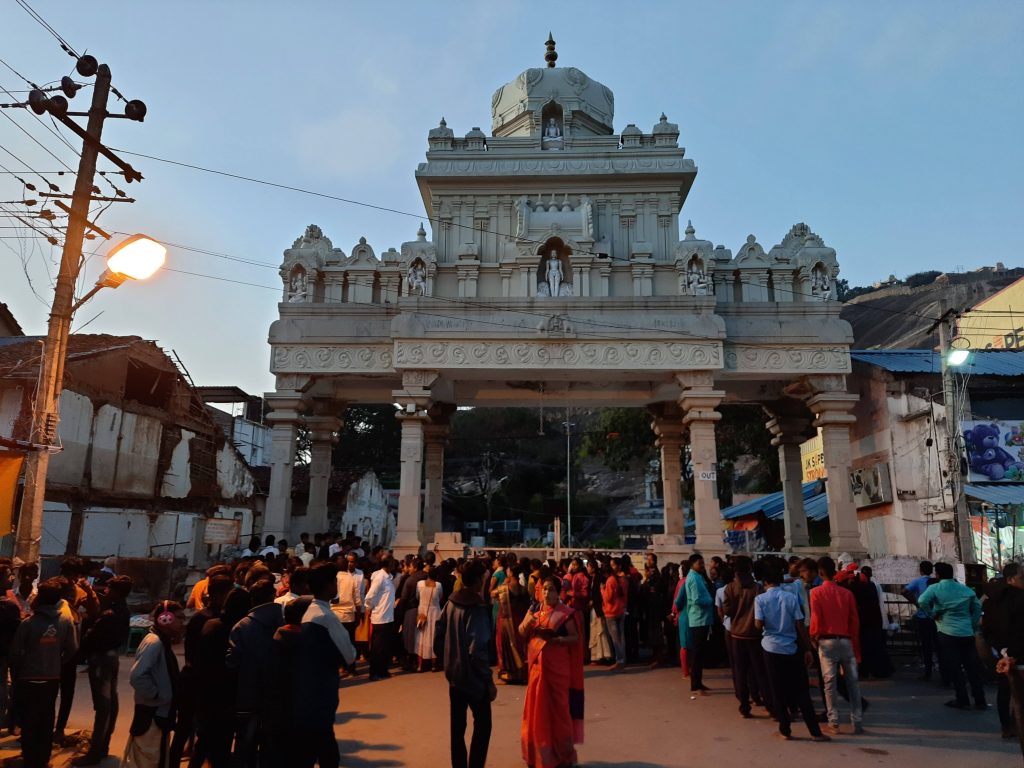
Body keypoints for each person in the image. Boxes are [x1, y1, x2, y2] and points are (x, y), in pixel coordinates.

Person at [754, 564, 829, 742]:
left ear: (765, 582)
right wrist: (807, 648)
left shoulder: (760, 599)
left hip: (771, 647)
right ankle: (815, 731)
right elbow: (800, 624)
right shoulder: (791, 597)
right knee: (801, 689)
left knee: (777, 689)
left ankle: (785, 729)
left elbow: (758, 624)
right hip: (791, 647)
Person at [9, 579, 77, 768]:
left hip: (28, 678)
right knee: (46, 718)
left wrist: (17, 673)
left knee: (29, 719)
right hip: (51, 678)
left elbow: (15, 653)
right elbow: (72, 649)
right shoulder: (65, 621)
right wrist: (56, 662)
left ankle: (30, 758)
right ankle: (43, 758)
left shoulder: (28, 623)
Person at [294, 562, 356, 768]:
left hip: (306, 690)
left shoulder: (308, 612)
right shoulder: (327, 617)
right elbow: (349, 655)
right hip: (321, 691)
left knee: (313, 749)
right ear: (329, 586)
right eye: (335, 582)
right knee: (325, 752)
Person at [436, 560, 497, 768]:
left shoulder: (451, 603)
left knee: (457, 729)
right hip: (474, 679)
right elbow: (477, 649)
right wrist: (488, 681)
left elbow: (439, 636)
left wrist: (447, 660)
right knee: (483, 726)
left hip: (455, 676)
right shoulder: (476, 608)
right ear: (478, 580)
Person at [519, 576, 584, 768]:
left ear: (558, 592)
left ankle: (562, 755)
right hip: (537, 669)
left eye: (551, 589)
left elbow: (575, 638)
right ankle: (538, 756)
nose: (547, 593)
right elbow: (521, 631)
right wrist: (529, 623)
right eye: (544, 589)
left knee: (559, 710)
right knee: (536, 710)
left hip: (558, 669)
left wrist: (557, 641)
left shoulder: (566, 614)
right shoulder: (534, 610)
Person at [72, 574, 132, 766]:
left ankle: (95, 751)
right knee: (110, 702)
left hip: (101, 659)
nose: (106, 591)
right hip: (112, 657)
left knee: (103, 705)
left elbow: (90, 637)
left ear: (115, 591)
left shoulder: (110, 615)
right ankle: (103, 745)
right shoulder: (122, 610)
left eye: (108, 589)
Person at [226, 578, 284, 766]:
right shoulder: (285, 621)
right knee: (272, 747)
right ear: (273, 595)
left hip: (248, 695)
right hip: (277, 695)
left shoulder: (242, 626)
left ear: (252, 600)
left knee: (245, 747)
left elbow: (232, 661)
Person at [918, 561, 986, 710]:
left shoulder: (935, 588)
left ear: (937, 575)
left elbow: (922, 600)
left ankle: (962, 699)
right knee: (972, 667)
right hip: (966, 632)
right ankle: (980, 699)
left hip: (947, 631)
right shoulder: (964, 589)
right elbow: (977, 607)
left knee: (955, 667)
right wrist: (972, 624)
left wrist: (932, 614)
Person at [124, 600, 184, 768]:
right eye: (179, 618)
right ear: (166, 618)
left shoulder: (160, 641)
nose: (182, 622)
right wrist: (157, 695)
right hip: (152, 715)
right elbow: (137, 676)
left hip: (158, 713)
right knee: (147, 760)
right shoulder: (154, 642)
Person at [810, 556, 863, 735]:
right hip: (846, 640)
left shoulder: (815, 593)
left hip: (826, 641)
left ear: (820, 572)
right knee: (853, 683)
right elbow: (854, 621)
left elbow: (816, 618)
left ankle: (833, 722)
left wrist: (813, 637)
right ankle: (857, 722)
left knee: (829, 683)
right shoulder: (847, 594)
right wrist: (855, 645)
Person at [722, 556, 767, 718]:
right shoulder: (758, 588)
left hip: (737, 635)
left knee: (740, 671)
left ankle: (744, 705)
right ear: (750, 569)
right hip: (755, 635)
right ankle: (765, 701)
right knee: (759, 670)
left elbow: (727, 611)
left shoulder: (730, 588)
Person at [984, 562, 1024, 740]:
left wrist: (1001, 650)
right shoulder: (1018, 598)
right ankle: (1014, 726)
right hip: (1017, 654)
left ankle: (1007, 726)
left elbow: (986, 627)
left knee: (1005, 690)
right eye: (1022, 577)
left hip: (1002, 653)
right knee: (1018, 694)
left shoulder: (991, 598)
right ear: (1011, 579)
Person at [903, 560, 943, 682]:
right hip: (936, 617)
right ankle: (944, 672)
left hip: (923, 616)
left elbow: (904, 591)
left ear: (920, 570)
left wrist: (915, 602)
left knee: (926, 645)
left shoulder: (918, 581)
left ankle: (928, 671)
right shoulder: (936, 582)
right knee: (939, 645)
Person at [684, 553, 714, 695]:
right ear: (692, 564)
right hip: (699, 618)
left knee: (699, 653)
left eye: (702, 563)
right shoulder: (694, 578)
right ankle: (695, 684)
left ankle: (698, 682)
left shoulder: (697, 576)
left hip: (701, 618)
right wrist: (711, 601)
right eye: (699, 563)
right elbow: (696, 600)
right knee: (697, 653)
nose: (702, 566)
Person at [365, 558, 398, 680]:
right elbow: (370, 595)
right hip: (380, 617)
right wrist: (369, 607)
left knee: (385, 647)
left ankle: (383, 670)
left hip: (388, 616)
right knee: (377, 647)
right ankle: (374, 672)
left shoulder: (388, 577)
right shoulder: (380, 578)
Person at [335, 555, 364, 676]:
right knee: (350, 643)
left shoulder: (334, 578)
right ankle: (351, 668)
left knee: (337, 642)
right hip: (349, 615)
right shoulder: (351, 579)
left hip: (335, 615)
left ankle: (340, 667)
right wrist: (358, 615)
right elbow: (357, 599)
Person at [415, 566, 444, 672]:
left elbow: (417, 597)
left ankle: (420, 665)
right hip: (435, 613)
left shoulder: (419, 584)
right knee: (433, 637)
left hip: (422, 613)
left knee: (421, 637)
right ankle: (434, 665)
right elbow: (440, 597)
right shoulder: (439, 585)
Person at [600, 558, 626, 670]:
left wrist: (602, 590)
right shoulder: (622, 579)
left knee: (615, 638)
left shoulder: (610, 581)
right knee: (621, 637)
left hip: (611, 612)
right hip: (620, 610)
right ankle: (622, 659)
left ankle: (619, 660)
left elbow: (608, 598)